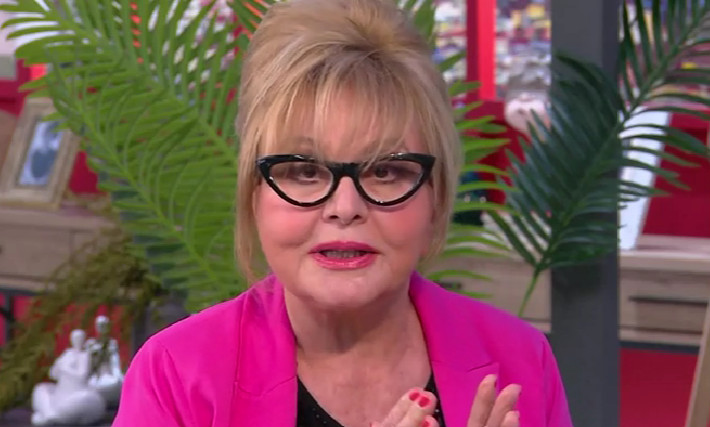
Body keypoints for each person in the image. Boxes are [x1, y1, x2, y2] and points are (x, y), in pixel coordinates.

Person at [113, 0, 573, 426]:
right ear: (254, 195)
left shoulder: (520, 361)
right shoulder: (175, 375)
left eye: (386, 171)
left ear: (436, 196)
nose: (346, 208)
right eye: (304, 171)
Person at [31, 329, 107, 426]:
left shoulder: (84, 356)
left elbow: (82, 376)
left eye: (80, 338)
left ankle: (50, 416)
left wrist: (65, 369)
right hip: (60, 393)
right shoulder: (67, 354)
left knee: (85, 399)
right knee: (41, 389)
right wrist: (57, 366)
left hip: (75, 393)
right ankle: (49, 414)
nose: (77, 341)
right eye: (75, 338)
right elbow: (53, 375)